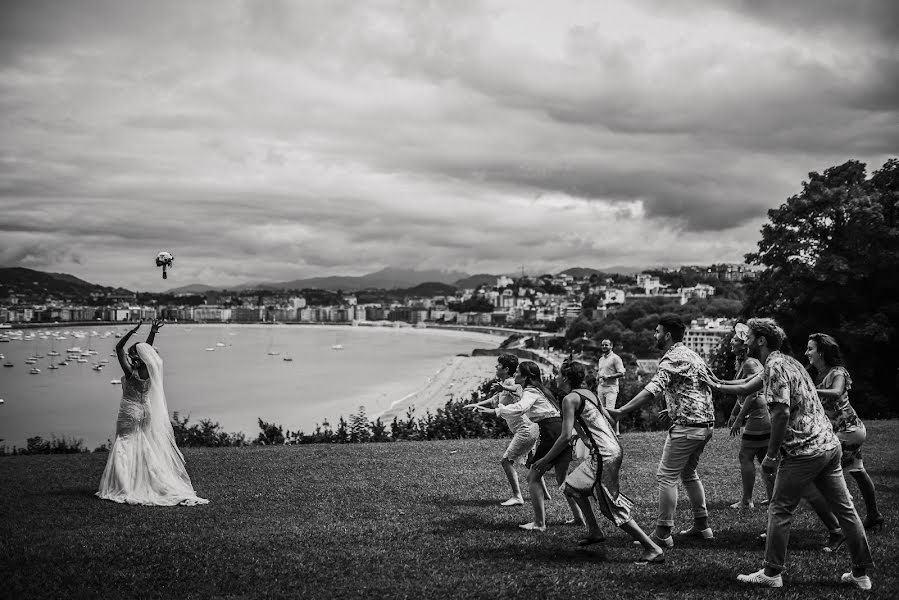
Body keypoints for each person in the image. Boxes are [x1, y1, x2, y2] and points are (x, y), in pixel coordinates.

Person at [709, 318, 873, 590]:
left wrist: (772, 455)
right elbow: (745, 387)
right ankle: (860, 575)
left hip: (804, 450)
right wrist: (714, 383)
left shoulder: (774, 366)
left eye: (748, 336)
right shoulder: (789, 362)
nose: (745, 340)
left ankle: (772, 572)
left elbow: (781, 412)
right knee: (846, 510)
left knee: (780, 508)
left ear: (760, 340)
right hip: (828, 445)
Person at [534, 360, 664, 564]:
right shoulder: (589, 394)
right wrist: (587, 436)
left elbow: (565, 436)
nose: (556, 378)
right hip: (608, 450)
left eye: (559, 374)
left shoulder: (570, 399)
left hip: (604, 454)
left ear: (566, 378)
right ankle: (594, 531)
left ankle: (653, 548)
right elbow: (604, 421)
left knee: (609, 506)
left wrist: (544, 460)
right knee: (572, 487)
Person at [607, 315, 715, 548]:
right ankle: (702, 526)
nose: (654, 335)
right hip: (706, 424)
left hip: (687, 427)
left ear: (667, 335)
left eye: (657, 332)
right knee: (688, 473)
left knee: (667, 477)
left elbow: (651, 390)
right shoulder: (691, 354)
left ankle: (663, 534)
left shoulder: (671, 359)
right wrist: (674, 406)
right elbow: (697, 387)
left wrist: (621, 411)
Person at [97, 320, 209, 506]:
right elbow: (146, 351)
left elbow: (118, 348)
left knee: (124, 445)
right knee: (142, 446)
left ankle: (125, 485)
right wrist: (152, 333)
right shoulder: (149, 369)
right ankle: (145, 480)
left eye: (132, 353)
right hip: (145, 412)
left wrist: (131, 332)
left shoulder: (130, 371)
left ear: (136, 356)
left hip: (130, 411)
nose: (130, 355)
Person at [475, 361, 584, 531]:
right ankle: (579, 518)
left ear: (526, 377)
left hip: (551, 431)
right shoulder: (541, 390)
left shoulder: (531, 391)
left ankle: (539, 524)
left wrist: (497, 411)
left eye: (518, 372)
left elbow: (520, 407)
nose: (515, 374)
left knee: (533, 476)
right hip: (560, 429)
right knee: (562, 478)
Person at [806, 333, 883, 531]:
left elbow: (837, 392)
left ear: (821, 352)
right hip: (849, 431)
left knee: (826, 476)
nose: (806, 353)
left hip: (847, 432)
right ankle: (873, 516)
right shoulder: (817, 375)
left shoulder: (837, 372)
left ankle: (845, 527)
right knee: (858, 471)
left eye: (810, 349)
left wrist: (811, 390)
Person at [465, 354, 550, 506]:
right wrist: (476, 405)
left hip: (525, 429)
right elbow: (494, 400)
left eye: (498, 365)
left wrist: (503, 388)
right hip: (529, 428)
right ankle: (545, 494)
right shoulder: (505, 383)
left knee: (506, 461)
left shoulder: (512, 382)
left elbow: (518, 391)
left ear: (505, 369)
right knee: (532, 463)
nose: (495, 367)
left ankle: (517, 496)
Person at [725, 323, 774, 509]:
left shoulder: (751, 363)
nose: (732, 341)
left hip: (759, 416)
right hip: (761, 415)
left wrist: (739, 419)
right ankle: (772, 497)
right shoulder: (745, 362)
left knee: (745, 456)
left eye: (735, 339)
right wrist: (734, 412)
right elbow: (743, 393)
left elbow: (753, 394)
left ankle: (747, 500)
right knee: (763, 458)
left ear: (744, 345)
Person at [595, 339, 625, 435]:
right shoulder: (601, 359)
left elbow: (622, 373)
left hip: (611, 388)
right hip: (601, 387)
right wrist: (597, 378)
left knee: (610, 410)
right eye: (602, 345)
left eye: (606, 345)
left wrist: (609, 377)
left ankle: (615, 432)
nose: (604, 347)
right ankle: (606, 431)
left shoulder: (615, 358)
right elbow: (600, 371)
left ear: (611, 346)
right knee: (601, 410)